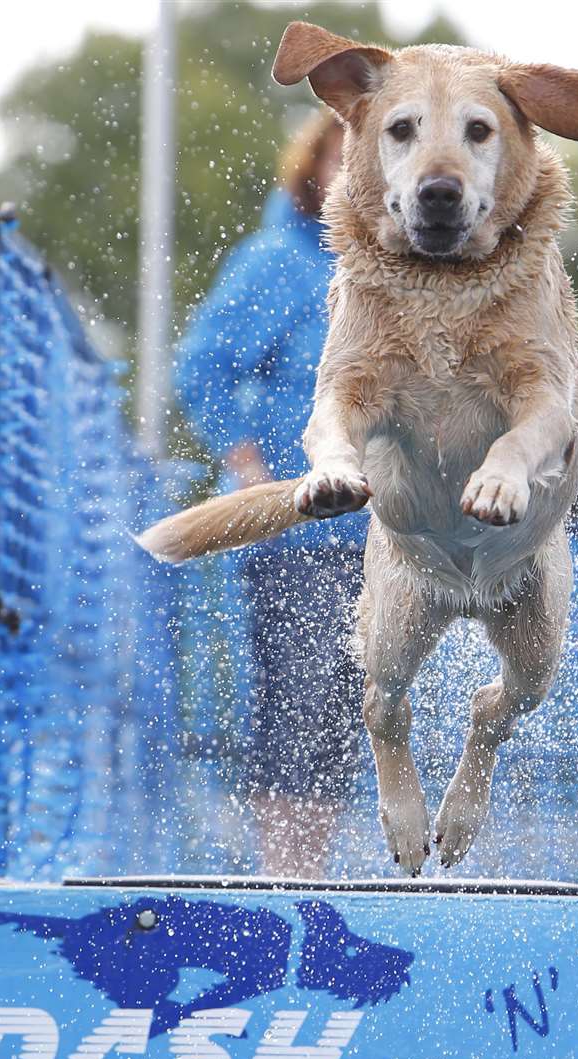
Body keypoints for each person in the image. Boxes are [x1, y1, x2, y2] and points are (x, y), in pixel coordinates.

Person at [174, 111, 364, 877]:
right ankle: (283, 875)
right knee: (298, 701)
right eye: (340, 158)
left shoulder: (397, 267)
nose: (357, 174)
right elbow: (200, 366)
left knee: (345, 715)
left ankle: (304, 875)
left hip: (377, 536)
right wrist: (249, 466)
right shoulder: (279, 262)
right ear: (312, 171)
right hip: (298, 533)